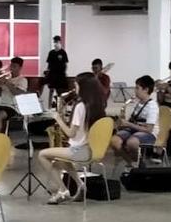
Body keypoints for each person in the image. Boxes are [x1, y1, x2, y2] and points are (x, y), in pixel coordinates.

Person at [38, 74, 106, 205]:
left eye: (76, 85)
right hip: (92, 150)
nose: (75, 88)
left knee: (42, 155)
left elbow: (71, 134)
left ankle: (63, 191)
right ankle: (80, 185)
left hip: (80, 151)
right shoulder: (98, 105)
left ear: (83, 87)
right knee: (58, 162)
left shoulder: (80, 106)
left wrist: (58, 118)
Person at [111, 75, 158, 166]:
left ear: (146, 90)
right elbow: (133, 120)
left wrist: (128, 124)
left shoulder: (152, 106)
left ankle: (137, 163)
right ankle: (131, 162)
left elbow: (149, 129)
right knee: (114, 141)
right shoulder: (137, 103)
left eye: (137, 88)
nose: (135, 91)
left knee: (132, 142)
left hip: (149, 133)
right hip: (134, 129)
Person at [0, 57, 27, 133]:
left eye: (14, 66)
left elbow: (16, 93)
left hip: (13, 107)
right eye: (11, 66)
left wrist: (6, 82)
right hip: (1, 105)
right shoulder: (7, 78)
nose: (11, 68)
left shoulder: (22, 80)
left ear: (20, 68)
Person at [44, 35, 69, 108]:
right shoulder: (51, 52)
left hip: (60, 75)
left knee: (60, 92)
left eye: (57, 41)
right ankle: (49, 107)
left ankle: (61, 107)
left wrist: (64, 73)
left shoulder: (63, 52)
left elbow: (65, 64)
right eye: (55, 41)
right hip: (52, 75)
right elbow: (49, 64)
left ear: (60, 42)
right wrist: (48, 72)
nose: (56, 43)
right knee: (51, 91)